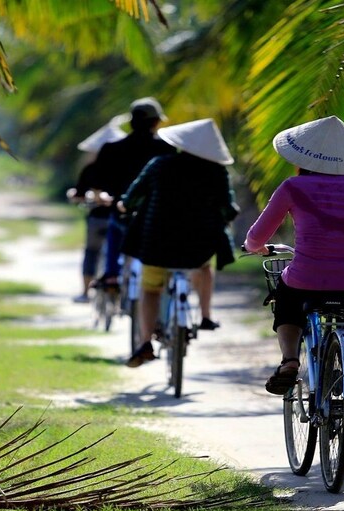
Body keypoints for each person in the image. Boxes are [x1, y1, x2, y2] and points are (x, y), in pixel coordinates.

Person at [243, 115, 344, 467]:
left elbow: (257, 237)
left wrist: (256, 248)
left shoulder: (293, 188)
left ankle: (289, 359)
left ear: (304, 159)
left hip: (307, 279)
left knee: (286, 296)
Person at [119, 118, 239, 367]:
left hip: (155, 245)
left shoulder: (159, 165)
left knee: (151, 289)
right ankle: (205, 316)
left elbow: (133, 196)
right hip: (198, 248)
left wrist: (125, 205)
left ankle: (144, 342)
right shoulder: (217, 172)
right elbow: (228, 209)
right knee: (205, 267)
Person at [84, 97, 175, 289]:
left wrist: (100, 196)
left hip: (122, 211)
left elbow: (96, 181)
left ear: (131, 121)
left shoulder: (111, 149)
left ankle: (110, 275)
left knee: (114, 228)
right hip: (156, 215)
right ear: (156, 122)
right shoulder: (166, 149)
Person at [66, 116, 128, 302]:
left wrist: (74, 196)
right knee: (122, 253)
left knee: (91, 252)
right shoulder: (125, 168)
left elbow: (78, 194)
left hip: (97, 219)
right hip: (121, 218)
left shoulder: (91, 169)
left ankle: (86, 292)